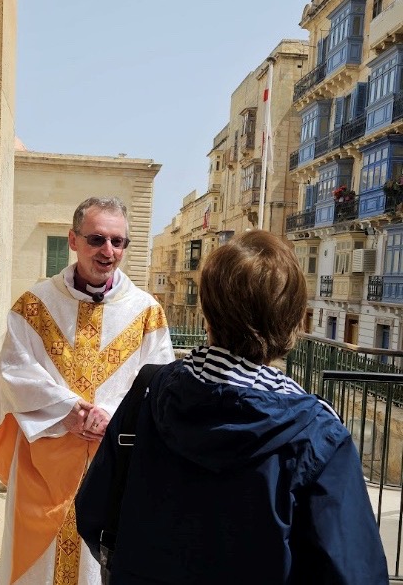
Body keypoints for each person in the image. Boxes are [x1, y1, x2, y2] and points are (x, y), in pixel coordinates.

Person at [76, 230, 388, 585]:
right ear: (290, 319)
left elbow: (93, 512)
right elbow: (352, 571)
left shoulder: (150, 390)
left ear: (208, 311)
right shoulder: (316, 433)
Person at [0, 196, 174, 585]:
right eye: (97, 239)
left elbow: (159, 382)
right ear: (73, 240)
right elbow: (14, 371)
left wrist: (112, 419)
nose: (108, 251)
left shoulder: (147, 311)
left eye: (118, 242)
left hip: (112, 459)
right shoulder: (35, 304)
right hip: (44, 460)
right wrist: (69, 410)